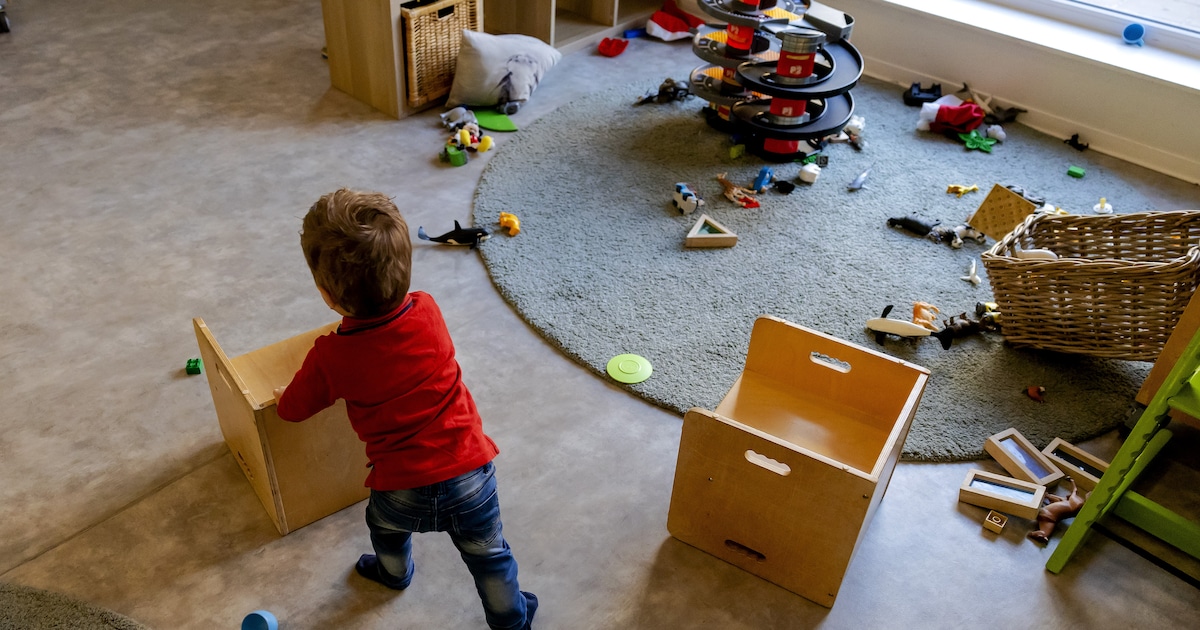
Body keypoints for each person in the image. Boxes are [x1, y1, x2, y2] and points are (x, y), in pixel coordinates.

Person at [273, 189, 537, 630]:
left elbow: (292, 411)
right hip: (471, 476)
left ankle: (393, 574)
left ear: (325, 295)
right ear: (406, 271)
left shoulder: (330, 356)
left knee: (385, 530)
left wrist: (287, 392)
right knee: (490, 556)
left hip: (400, 487)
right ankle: (511, 619)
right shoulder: (428, 311)